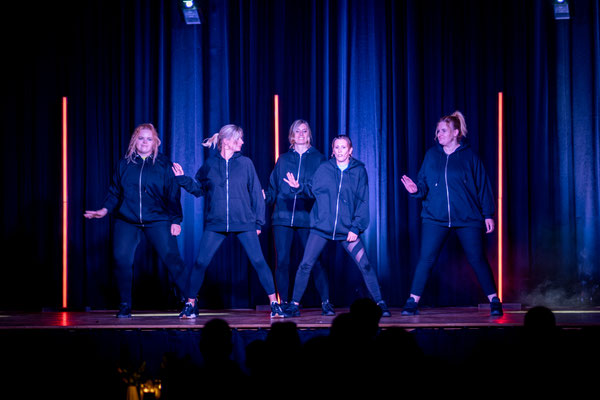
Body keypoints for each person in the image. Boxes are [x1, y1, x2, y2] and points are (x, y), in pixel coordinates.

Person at [171, 124, 285, 318]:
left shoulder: (246, 163)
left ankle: (274, 303)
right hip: (216, 223)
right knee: (200, 263)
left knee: (259, 261)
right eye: (238, 138)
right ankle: (190, 304)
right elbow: (199, 189)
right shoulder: (210, 164)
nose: (242, 142)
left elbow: (256, 194)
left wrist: (258, 222)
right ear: (225, 141)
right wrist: (182, 179)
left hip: (244, 222)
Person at [400, 111, 503, 316]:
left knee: (477, 259)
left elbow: (483, 186)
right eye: (437, 131)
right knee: (426, 259)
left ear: (456, 132)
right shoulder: (431, 155)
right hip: (435, 217)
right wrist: (415, 189)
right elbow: (423, 185)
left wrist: (488, 214)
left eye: (443, 131)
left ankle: (494, 301)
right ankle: (412, 301)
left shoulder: (470, 157)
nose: (439, 134)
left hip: (467, 217)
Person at [84, 123, 188, 318]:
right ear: (134, 141)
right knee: (121, 259)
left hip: (157, 219)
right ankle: (125, 304)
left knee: (172, 259)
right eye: (141, 138)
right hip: (128, 220)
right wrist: (104, 210)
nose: (145, 142)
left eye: (149, 139)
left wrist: (176, 220)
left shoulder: (164, 164)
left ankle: (190, 301)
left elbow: (173, 194)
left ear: (155, 142)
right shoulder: (124, 164)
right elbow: (115, 192)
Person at [282, 135, 391, 317]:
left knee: (365, 265)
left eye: (343, 147)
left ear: (350, 150)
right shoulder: (325, 168)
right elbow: (311, 189)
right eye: (337, 147)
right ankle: (294, 305)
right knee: (305, 265)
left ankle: (380, 303)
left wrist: (355, 228)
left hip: (346, 230)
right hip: (322, 228)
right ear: (333, 151)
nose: (340, 151)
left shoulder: (359, 171)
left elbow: (363, 201)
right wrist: (297, 187)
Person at [264, 119, 334, 315]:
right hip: (282, 217)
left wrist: (299, 188)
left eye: (304, 131)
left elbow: (320, 190)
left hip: (308, 218)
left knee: (314, 261)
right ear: (292, 136)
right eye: (297, 131)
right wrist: (264, 197)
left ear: (309, 134)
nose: (301, 134)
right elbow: (273, 189)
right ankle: (285, 302)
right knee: (282, 261)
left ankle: (326, 302)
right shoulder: (283, 159)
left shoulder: (319, 159)